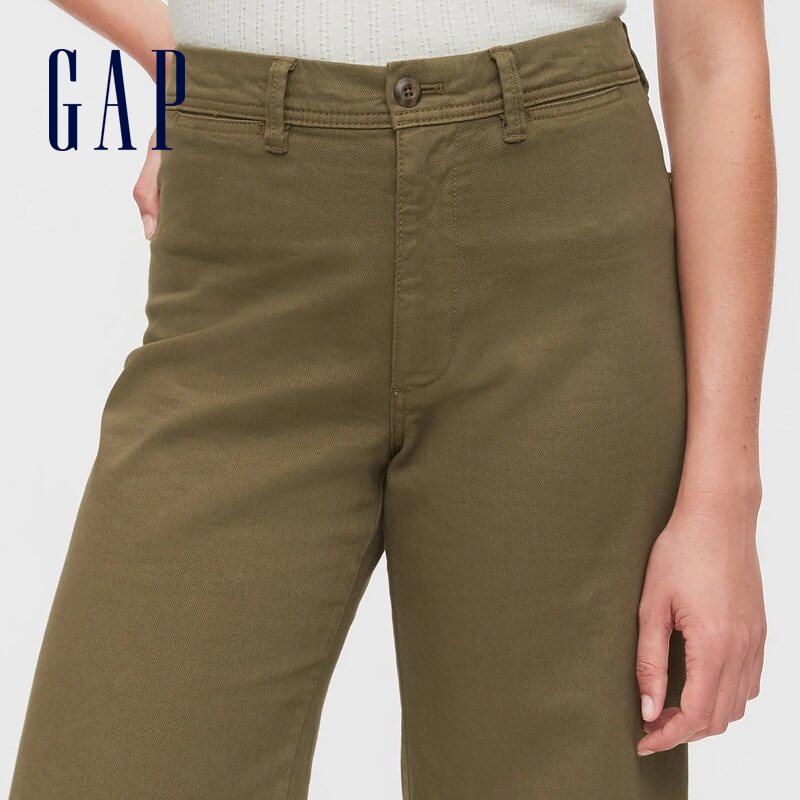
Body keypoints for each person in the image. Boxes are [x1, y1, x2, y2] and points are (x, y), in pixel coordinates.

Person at [10, 2, 775, 799]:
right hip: (244, 250)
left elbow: (714, 59)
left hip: (559, 269)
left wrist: (722, 503)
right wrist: (195, 70)